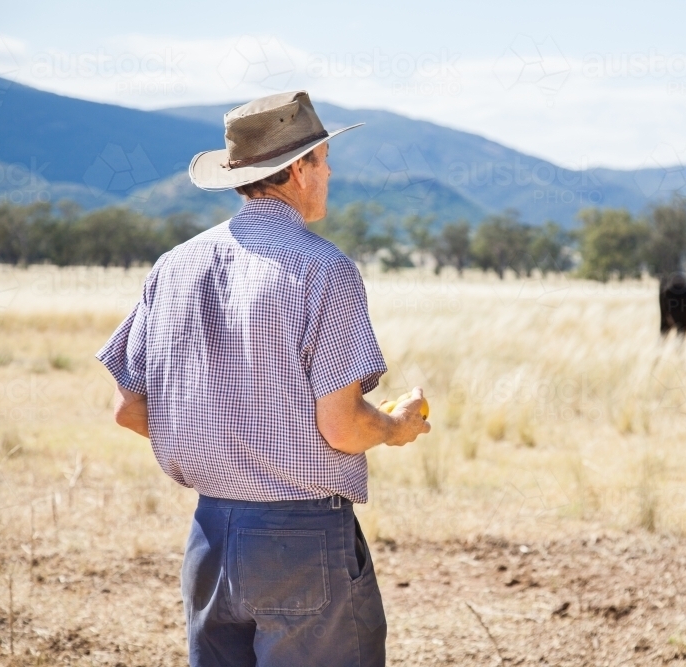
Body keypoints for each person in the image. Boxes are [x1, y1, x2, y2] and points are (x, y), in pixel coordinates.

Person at [96, 91, 430, 666]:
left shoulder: (173, 265)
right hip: (300, 539)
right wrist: (396, 427)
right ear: (299, 169)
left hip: (208, 536)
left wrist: (226, 441)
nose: (329, 173)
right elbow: (344, 429)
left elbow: (129, 410)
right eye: (324, 161)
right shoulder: (324, 268)